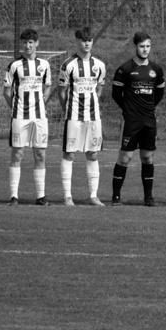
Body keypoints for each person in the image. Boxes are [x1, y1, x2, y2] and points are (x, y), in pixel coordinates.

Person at [111, 32, 166, 205]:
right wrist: (128, 110)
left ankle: (148, 197)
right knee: (125, 158)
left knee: (147, 157)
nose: (145, 49)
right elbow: (116, 94)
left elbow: (159, 93)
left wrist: (148, 108)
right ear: (135, 46)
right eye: (142, 46)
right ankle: (116, 197)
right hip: (131, 121)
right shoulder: (125, 69)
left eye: (148, 46)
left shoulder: (156, 69)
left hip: (149, 120)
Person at [59, 27, 107, 206]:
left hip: (93, 117)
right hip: (73, 116)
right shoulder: (68, 65)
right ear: (77, 41)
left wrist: (91, 103)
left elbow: (99, 88)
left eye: (89, 40)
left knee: (93, 154)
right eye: (83, 40)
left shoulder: (99, 65)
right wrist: (68, 109)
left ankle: (93, 196)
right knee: (69, 153)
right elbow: (62, 91)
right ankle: (67, 196)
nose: (86, 43)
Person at [4, 28, 53, 205]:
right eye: (24, 42)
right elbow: (7, 91)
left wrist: (42, 101)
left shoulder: (44, 65)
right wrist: (16, 107)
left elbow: (48, 86)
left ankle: (40, 196)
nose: (28, 46)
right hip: (20, 116)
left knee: (40, 154)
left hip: (39, 117)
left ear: (36, 43)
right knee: (17, 154)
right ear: (21, 44)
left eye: (31, 42)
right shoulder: (14, 66)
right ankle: (14, 196)